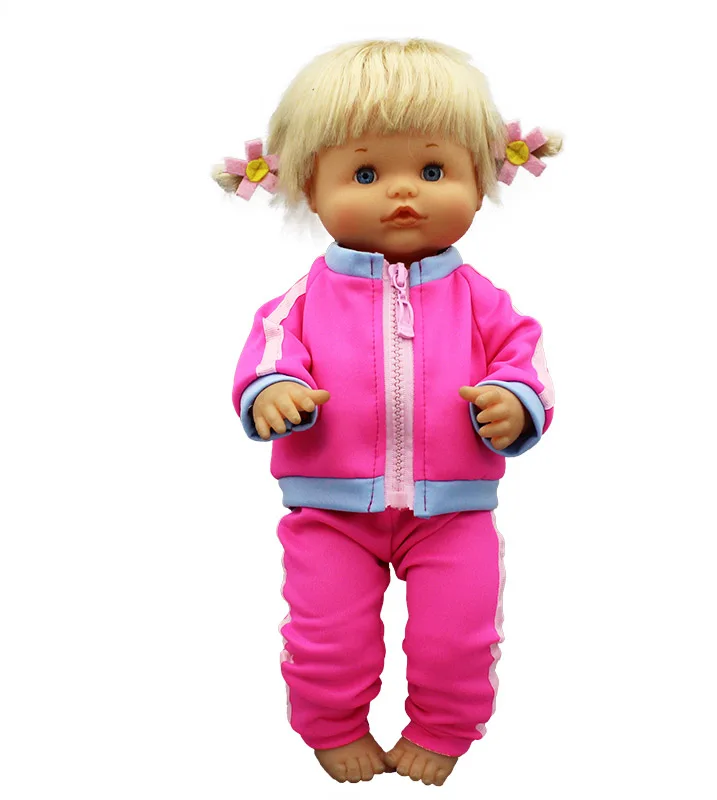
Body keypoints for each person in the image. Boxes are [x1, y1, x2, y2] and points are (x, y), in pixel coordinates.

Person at [213, 38, 561, 786]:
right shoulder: (304, 299)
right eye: (366, 174)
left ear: (478, 182)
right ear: (311, 187)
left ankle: (443, 728)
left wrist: (514, 401)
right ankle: (332, 726)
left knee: (458, 636)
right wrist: (275, 392)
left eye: (433, 171)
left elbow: (525, 357)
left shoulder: (480, 300)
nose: (404, 192)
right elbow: (268, 353)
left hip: (454, 512)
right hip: (330, 511)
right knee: (327, 635)